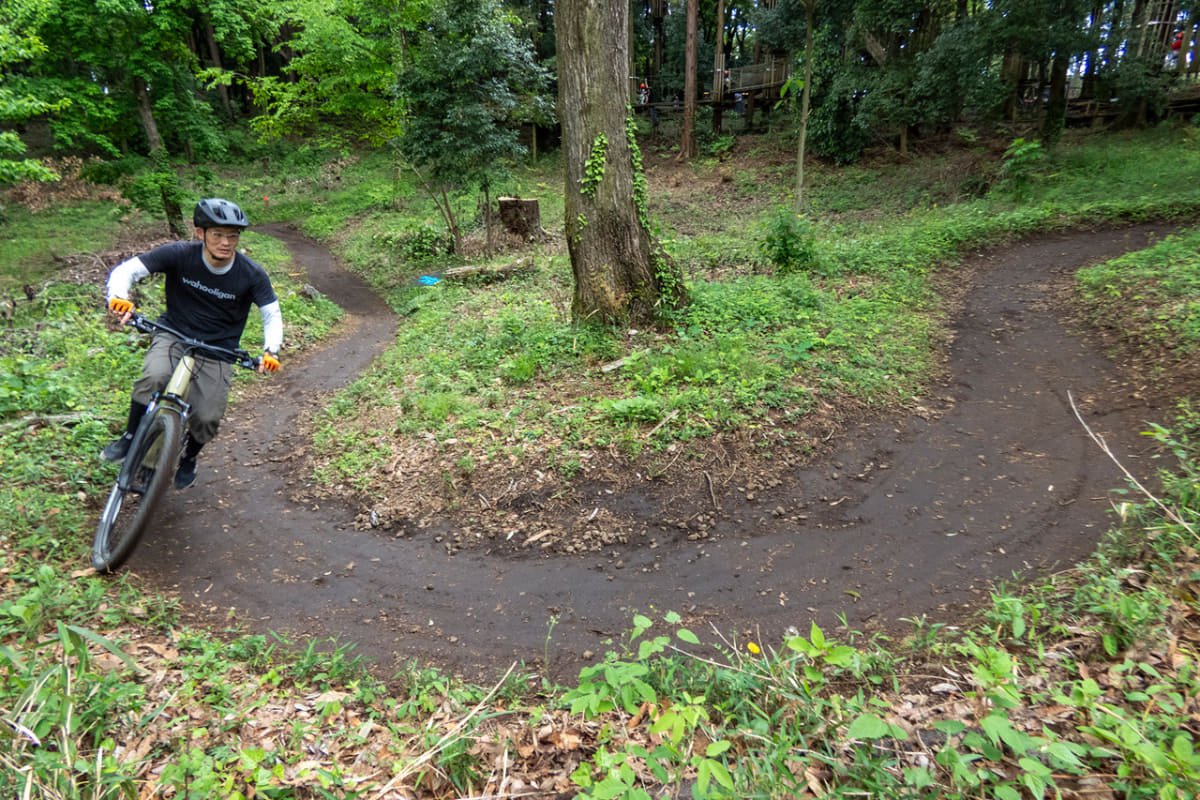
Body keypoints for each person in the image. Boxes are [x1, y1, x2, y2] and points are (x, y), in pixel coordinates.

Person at [102, 198, 282, 489]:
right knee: (154, 377)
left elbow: (270, 313)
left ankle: (189, 457)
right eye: (217, 234)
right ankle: (130, 437)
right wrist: (119, 296)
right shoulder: (179, 254)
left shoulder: (251, 274)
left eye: (232, 236)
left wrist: (270, 350)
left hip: (218, 349)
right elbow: (128, 270)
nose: (226, 242)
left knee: (207, 416)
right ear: (201, 234)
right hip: (173, 332)